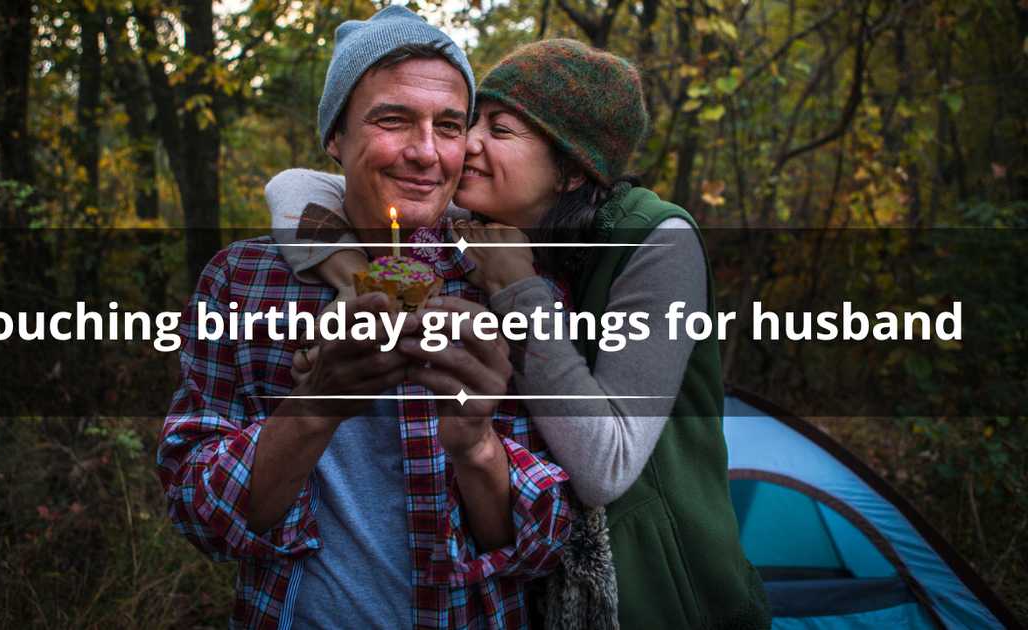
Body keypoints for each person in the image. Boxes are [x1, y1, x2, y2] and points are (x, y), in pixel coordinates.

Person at [268, 39, 770, 629]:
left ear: (573, 171)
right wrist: (357, 286)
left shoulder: (658, 241)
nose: (466, 143)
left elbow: (605, 467)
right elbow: (293, 188)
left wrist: (518, 290)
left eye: (499, 129)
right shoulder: (486, 219)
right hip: (535, 572)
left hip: (662, 585)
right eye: (471, 121)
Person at [157, 8, 571, 630]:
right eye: (392, 119)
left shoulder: (506, 286)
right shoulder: (242, 282)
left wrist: (476, 445)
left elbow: (541, 545)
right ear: (336, 137)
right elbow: (197, 512)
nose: (425, 152)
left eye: (448, 126)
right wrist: (313, 408)